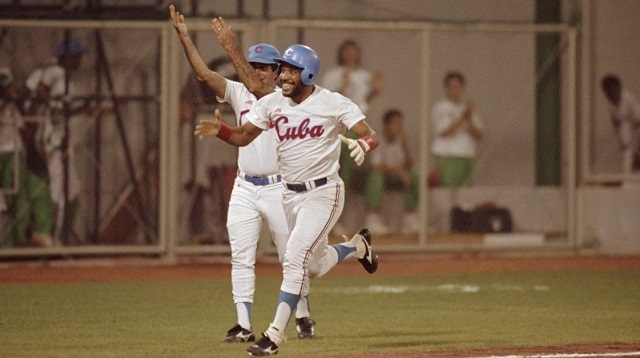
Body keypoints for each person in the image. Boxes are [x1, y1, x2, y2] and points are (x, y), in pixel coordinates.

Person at [194, 44, 380, 356]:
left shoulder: (331, 102)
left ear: (307, 73)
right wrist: (222, 130)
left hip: (324, 192)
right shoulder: (273, 103)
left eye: (291, 69)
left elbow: (368, 131)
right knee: (314, 266)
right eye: (284, 69)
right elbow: (243, 136)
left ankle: (274, 334)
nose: (284, 75)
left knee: (293, 258)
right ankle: (358, 246)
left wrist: (365, 143)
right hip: (290, 195)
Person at [169, 5, 318, 342]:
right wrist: (185, 38)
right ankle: (244, 325)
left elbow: (258, 89)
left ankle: (304, 311)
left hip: (281, 188)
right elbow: (205, 76)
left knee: (291, 257)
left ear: (278, 71)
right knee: (241, 256)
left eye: (265, 67)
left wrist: (230, 46)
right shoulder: (239, 92)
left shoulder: (284, 98)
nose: (258, 72)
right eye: (254, 66)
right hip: (245, 186)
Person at [22, 37, 90, 243]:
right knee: (59, 192)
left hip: (46, 137)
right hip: (53, 139)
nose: (80, 61)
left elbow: (28, 92)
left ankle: (55, 236)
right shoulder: (59, 75)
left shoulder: (47, 70)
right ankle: (50, 237)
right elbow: (56, 112)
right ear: (67, 57)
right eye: (77, 56)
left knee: (71, 191)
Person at [320, 39, 383, 234]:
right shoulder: (333, 75)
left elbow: (363, 102)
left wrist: (375, 90)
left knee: (367, 170)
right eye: (346, 51)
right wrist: (342, 86)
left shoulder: (364, 75)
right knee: (341, 174)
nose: (350, 55)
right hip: (341, 126)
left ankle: (370, 217)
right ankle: (334, 220)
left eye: (354, 51)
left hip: (360, 125)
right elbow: (326, 100)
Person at [0, 68, 54, 248]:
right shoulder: (5, 105)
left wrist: (32, 108)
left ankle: (41, 233)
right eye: (6, 86)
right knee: (19, 205)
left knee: (41, 191)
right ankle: (8, 247)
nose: (12, 89)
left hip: (18, 155)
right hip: (5, 156)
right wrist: (7, 101)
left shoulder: (14, 106)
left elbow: (26, 132)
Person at [363, 109, 419, 235]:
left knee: (414, 177)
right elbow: (376, 166)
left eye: (400, 124)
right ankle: (372, 220)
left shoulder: (401, 141)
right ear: (386, 125)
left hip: (396, 177)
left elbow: (409, 165)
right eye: (395, 124)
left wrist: (405, 146)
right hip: (378, 176)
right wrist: (399, 172)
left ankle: (410, 219)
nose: (398, 127)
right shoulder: (377, 140)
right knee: (376, 177)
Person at [431, 71, 483, 187]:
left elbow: (479, 134)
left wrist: (469, 118)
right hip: (448, 155)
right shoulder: (440, 107)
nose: (455, 89)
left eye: (458, 86)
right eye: (452, 86)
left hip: (466, 154)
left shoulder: (468, 108)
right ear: (446, 88)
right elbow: (445, 132)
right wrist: (463, 117)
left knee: (466, 193)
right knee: (447, 192)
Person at [600, 74, 640, 175]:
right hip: (626, 148)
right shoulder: (611, 106)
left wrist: (637, 150)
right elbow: (617, 127)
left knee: (630, 179)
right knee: (627, 178)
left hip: (635, 147)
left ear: (618, 88)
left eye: (611, 91)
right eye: (607, 93)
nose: (609, 95)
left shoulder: (629, 99)